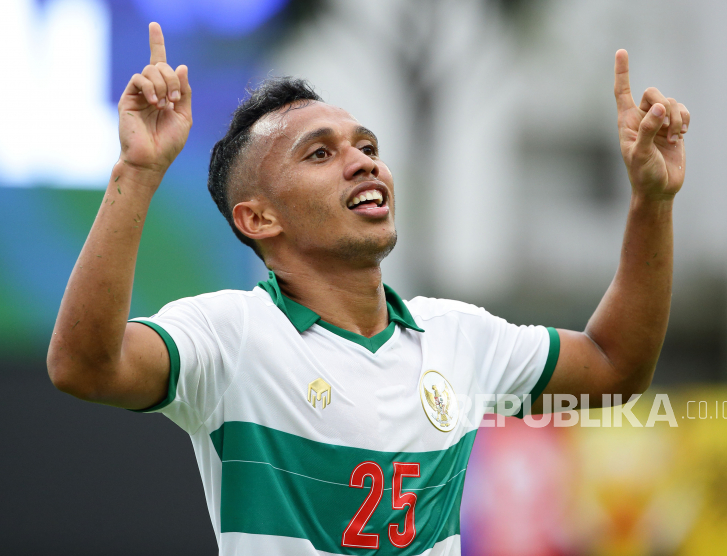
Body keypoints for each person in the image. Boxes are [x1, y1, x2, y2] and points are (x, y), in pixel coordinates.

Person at [47, 22, 690, 555]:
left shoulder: (459, 336)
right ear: (258, 218)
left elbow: (615, 367)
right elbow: (83, 366)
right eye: (319, 154)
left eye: (366, 145)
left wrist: (651, 202)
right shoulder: (231, 334)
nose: (364, 160)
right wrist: (137, 169)